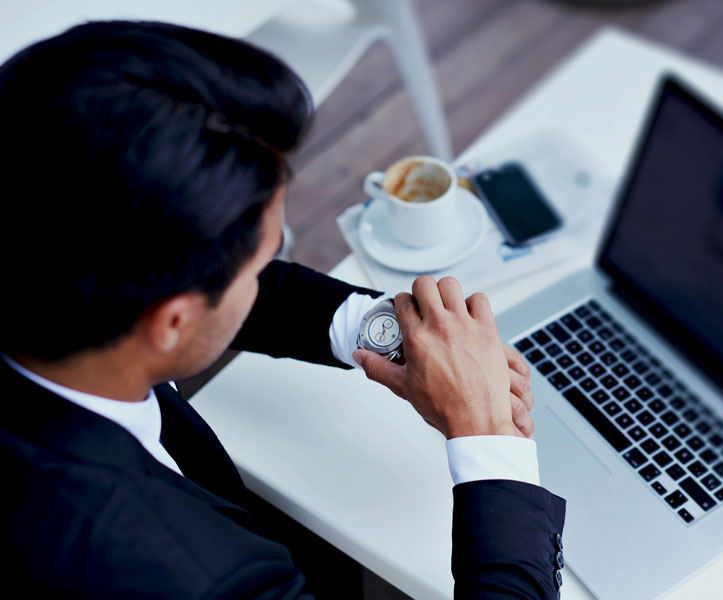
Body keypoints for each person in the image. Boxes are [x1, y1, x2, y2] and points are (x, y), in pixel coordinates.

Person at [0, 20, 566, 598]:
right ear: (171, 321)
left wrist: (390, 333)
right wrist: (487, 431)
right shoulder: (183, 573)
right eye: (259, 261)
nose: (265, 274)